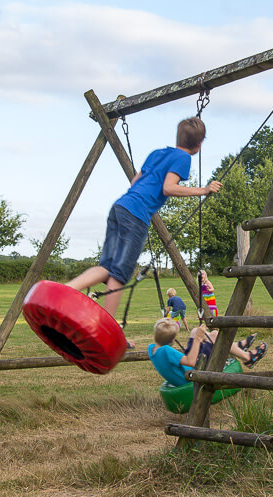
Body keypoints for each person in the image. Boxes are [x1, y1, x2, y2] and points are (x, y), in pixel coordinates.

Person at [66, 117, 222, 346]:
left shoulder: (158, 153)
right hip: (136, 215)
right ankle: (107, 330)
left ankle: (66, 291)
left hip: (120, 206)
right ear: (199, 145)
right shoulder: (183, 157)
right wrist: (204, 190)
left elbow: (135, 181)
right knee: (119, 274)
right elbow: (168, 187)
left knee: (107, 267)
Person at [148, 319, 267, 387]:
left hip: (189, 369)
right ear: (173, 340)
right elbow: (191, 361)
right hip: (194, 372)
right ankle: (247, 357)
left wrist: (197, 336)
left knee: (195, 331)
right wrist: (197, 339)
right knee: (214, 335)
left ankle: (237, 347)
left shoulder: (152, 349)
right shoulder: (166, 351)